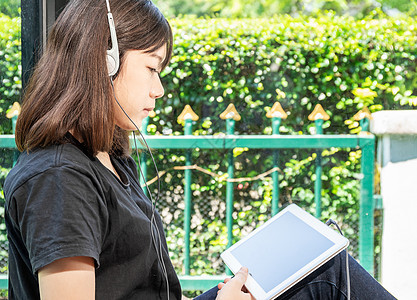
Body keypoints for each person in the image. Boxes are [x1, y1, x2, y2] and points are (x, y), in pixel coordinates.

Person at [3, 0, 396, 299]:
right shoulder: (58, 179)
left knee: (322, 270)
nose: (159, 90)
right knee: (328, 279)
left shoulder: (109, 160)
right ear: (102, 60)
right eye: (152, 68)